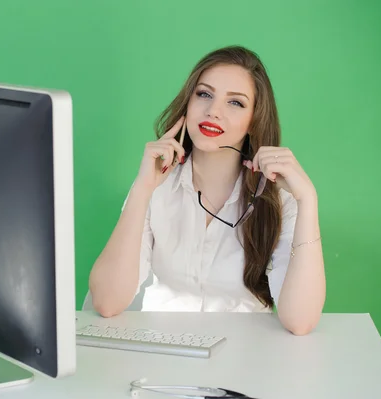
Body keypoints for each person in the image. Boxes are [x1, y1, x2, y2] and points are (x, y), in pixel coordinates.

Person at [88, 45, 325, 336]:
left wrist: (307, 200)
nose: (213, 111)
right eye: (204, 94)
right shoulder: (155, 187)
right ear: (187, 104)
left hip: (247, 358)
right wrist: (141, 190)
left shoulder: (279, 201)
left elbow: (300, 321)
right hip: (164, 352)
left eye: (235, 103)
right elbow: (106, 302)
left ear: (254, 120)